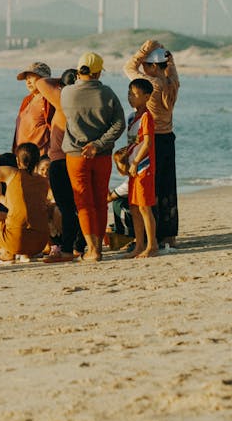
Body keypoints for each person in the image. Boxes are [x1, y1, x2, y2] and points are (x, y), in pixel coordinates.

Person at [61, 52, 125, 263]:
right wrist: (98, 144)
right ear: (98, 72)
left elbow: (48, 84)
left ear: (79, 70)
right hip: (101, 155)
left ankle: (92, 250)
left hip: (76, 155)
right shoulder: (107, 93)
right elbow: (119, 124)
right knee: (100, 202)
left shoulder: (67, 93)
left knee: (83, 203)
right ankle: (97, 247)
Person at [124, 39, 179, 247]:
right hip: (168, 137)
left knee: (150, 189)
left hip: (151, 137)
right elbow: (171, 72)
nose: (143, 68)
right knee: (167, 186)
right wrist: (170, 62)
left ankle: (149, 237)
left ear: (153, 66)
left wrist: (143, 50)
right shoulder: (172, 81)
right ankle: (169, 235)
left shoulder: (151, 85)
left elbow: (128, 67)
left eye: (146, 65)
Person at [33, 68, 83, 264]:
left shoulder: (64, 100)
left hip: (61, 161)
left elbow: (41, 83)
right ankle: (80, 245)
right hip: (76, 158)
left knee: (66, 207)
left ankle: (68, 249)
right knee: (78, 206)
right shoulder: (81, 101)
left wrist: (62, 81)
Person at [0, 143, 49, 264]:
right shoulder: (43, 181)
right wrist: (0, 198)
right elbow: (26, 206)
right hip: (40, 243)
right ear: (38, 161)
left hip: (17, 242)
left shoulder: (13, 173)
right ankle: (25, 254)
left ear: (18, 161)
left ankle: (5, 253)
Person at [114, 78, 158, 259]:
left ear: (147, 97)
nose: (130, 97)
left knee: (145, 207)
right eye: (129, 94)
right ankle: (139, 244)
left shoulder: (147, 116)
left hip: (143, 167)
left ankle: (152, 244)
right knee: (134, 207)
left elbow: (147, 143)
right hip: (133, 169)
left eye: (135, 94)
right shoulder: (132, 118)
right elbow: (133, 143)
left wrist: (135, 162)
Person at [13, 62, 53, 158]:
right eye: (26, 78)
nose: (28, 82)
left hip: (41, 157)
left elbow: (55, 129)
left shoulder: (49, 100)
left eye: (31, 77)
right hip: (22, 156)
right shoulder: (27, 100)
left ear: (43, 78)